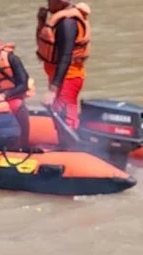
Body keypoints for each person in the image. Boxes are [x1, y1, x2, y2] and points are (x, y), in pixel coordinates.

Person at [36, 0, 91, 147]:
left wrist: (52, 90)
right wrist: (41, 22)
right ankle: (64, 146)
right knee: (59, 114)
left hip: (69, 77)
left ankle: (71, 151)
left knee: (65, 116)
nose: (48, 3)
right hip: (61, 77)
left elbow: (65, 57)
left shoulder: (67, 23)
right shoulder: (61, 19)